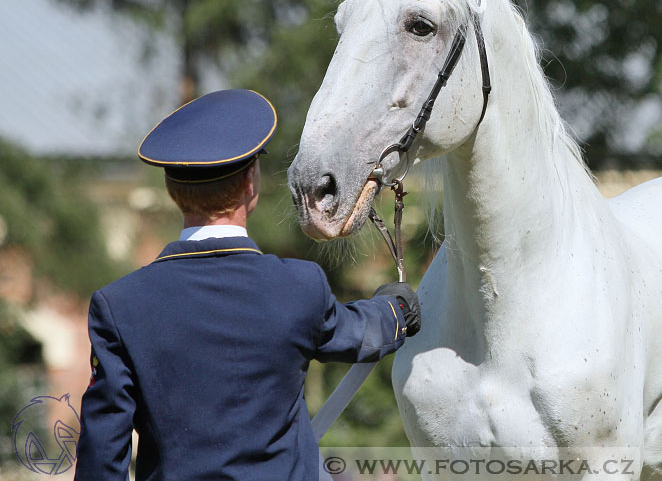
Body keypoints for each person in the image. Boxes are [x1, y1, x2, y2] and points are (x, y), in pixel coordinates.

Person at [74, 89, 420, 480]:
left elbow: (103, 455)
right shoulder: (299, 287)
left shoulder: (120, 306)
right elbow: (358, 334)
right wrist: (397, 309)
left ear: (173, 191)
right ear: (250, 184)